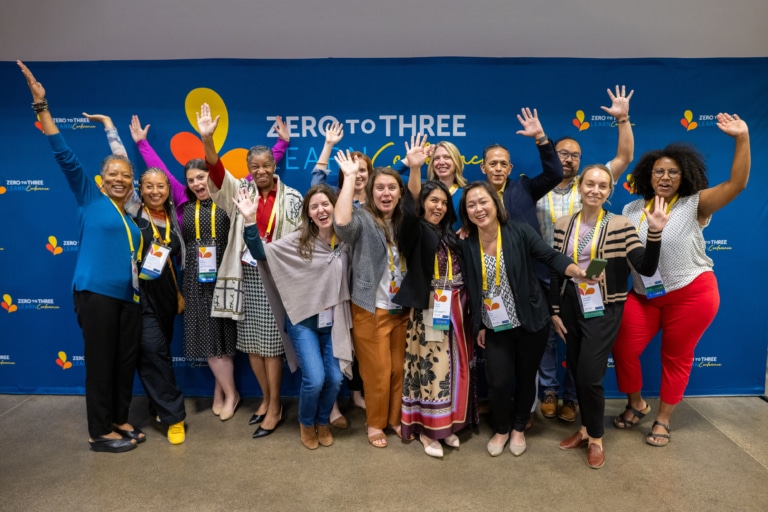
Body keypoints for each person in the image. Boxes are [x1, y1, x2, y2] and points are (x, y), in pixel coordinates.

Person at [127, 115, 287, 421]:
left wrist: (282, 144)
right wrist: (142, 144)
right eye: (192, 179)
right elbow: (158, 172)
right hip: (196, 281)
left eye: (203, 177)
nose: (198, 183)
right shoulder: (182, 200)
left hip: (228, 278)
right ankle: (229, 393)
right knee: (210, 343)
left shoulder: (232, 193)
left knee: (225, 342)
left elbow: (263, 171)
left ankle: (224, 391)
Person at [18, 61, 141, 453]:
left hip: (128, 298)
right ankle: (98, 431)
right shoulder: (91, 199)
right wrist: (42, 107)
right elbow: (65, 155)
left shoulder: (131, 217)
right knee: (101, 364)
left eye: (126, 175)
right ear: (103, 179)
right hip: (95, 295)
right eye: (114, 174)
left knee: (123, 364)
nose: (121, 179)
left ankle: (119, 419)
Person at [612, 113, 750, 447]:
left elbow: (737, 185)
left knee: (676, 356)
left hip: (691, 294)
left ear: (683, 176)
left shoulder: (694, 204)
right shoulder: (631, 210)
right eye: (659, 170)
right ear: (648, 174)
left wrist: (742, 137)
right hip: (644, 296)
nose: (665, 176)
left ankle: (663, 419)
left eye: (673, 171)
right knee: (623, 347)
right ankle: (637, 403)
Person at [549, 164, 668, 469]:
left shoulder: (620, 224)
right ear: (580, 186)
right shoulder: (563, 224)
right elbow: (555, 269)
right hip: (571, 303)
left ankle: (597, 438)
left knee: (590, 375)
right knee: (575, 368)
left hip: (604, 306)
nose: (595, 190)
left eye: (603, 186)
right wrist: (555, 310)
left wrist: (654, 232)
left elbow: (645, 267)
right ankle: (585, 429)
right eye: (590, 184)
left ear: (609, 192)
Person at [459, 181, 588, 458]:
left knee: (527, 378)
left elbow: (548, 255)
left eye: (484, 202)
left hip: (531, 321)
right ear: (465, 211)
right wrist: (480, 324)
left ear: (496, 205)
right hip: (495, 325)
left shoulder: (518, 231)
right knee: (499, 382)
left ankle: (519, 428)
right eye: (471, 205)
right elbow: (473, 287)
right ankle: (502, 428)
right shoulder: (467, 242)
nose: (479, 209)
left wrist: (574, 269)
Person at [81, 113, 189, 444]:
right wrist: (112, 130)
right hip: (138, 296)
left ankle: (155, 406)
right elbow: (121, 167)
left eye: (162, 186)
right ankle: (173, 416)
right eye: (149, 186)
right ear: (139, 188)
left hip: (168, 296)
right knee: (153, 351)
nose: (155, 191)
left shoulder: (176, 214)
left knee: (155, 353)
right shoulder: (133, 209)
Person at [198, 103, 303, 437]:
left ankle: (274, 406)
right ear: (248, 169)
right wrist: (207, 139)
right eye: (253, 166)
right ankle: (266, 398)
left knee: (273, 346)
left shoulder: (293, 198)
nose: (260, 170)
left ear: (275, 165)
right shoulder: (240, 191)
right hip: (246, 276)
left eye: (266, 164)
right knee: (253, 345)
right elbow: (215, 173)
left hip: (278, 278)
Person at [536, 85, 634, 423]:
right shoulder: (537, 189)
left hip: (593, 284)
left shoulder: (590, 182)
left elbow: (623, 158)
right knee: (550, 338)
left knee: (582, 354)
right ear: (552, 156)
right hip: (551, 275)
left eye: (574, 154)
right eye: (562, 152)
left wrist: (623, 119)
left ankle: (572, 399)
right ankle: (548, 390)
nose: (568, 158)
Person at [234, 184, 354, 449]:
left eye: (326, 204)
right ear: (308, 214)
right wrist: (250, 221)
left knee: (335, 379)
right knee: (314, 379)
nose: (321, 210)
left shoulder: (347, 240)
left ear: (336, 206)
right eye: (314, 207)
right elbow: (261, 253)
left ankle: (323, 421)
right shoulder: (298, 240)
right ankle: (306, 422)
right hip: (303, 321)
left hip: (335, 322)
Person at [396, 135, 477, 458]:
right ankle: (428, 431)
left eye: (443, 203)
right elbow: (412, 202)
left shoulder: (451, 235)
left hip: (457, 308)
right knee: (433, 369)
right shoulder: (414, 230)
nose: (438, 207)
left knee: (456, 368)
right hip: (430, 309)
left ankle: (450, 426)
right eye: (433, 201)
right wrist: (415, 169)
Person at [333, 151, 409, 449]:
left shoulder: (403, 220)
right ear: (371, 192)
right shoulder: (362, 218)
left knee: (397, 369)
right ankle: (375, 423)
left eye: (392, 188)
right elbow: (341, 224)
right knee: (377, 372)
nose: (386, 193)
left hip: (401, 309)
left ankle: (393, 419)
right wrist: (350, 177)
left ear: (399, 193)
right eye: (380, 188)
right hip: (371, 308)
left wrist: (413, 168)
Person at [310, 121, 370, 413]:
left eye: (363, 171)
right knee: (336, 339)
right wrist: (328, 145)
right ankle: (332, 402)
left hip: (366, 282)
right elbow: (315, 183)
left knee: (361, 341)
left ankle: (358, 391)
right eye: (353, 171)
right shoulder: (335, 200)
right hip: (334, 281)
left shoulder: (378, 203)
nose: (358, 176)